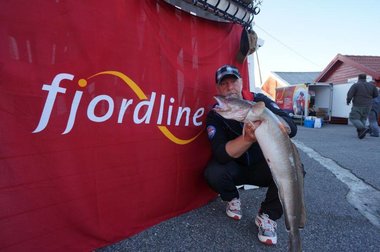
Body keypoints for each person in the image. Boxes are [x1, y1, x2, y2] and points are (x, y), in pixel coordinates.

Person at [204, 64, 298, 246]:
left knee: (295, 170)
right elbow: (221, 154)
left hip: (263, 168)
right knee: (213, 172)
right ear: (218, 88)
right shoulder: (216, 114)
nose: (230, 87)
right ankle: (232, 197)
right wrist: (247, 138)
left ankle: (267, 215)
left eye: (233, 81)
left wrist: (269, 122)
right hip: (235, 168)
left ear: (241, 82)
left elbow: (291, 127)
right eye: (224, 84)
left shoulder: (259, 101)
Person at [346, 74, 379, 139]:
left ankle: (363, 129)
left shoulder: (356, 85)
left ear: (358, 78)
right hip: (368, 105)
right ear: (365, 78)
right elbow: (376, 95)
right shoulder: (372, 86)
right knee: (363, 119)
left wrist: (348, 101)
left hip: (358, 105)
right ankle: (361, 134)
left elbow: (350, 94)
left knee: (353, 118)